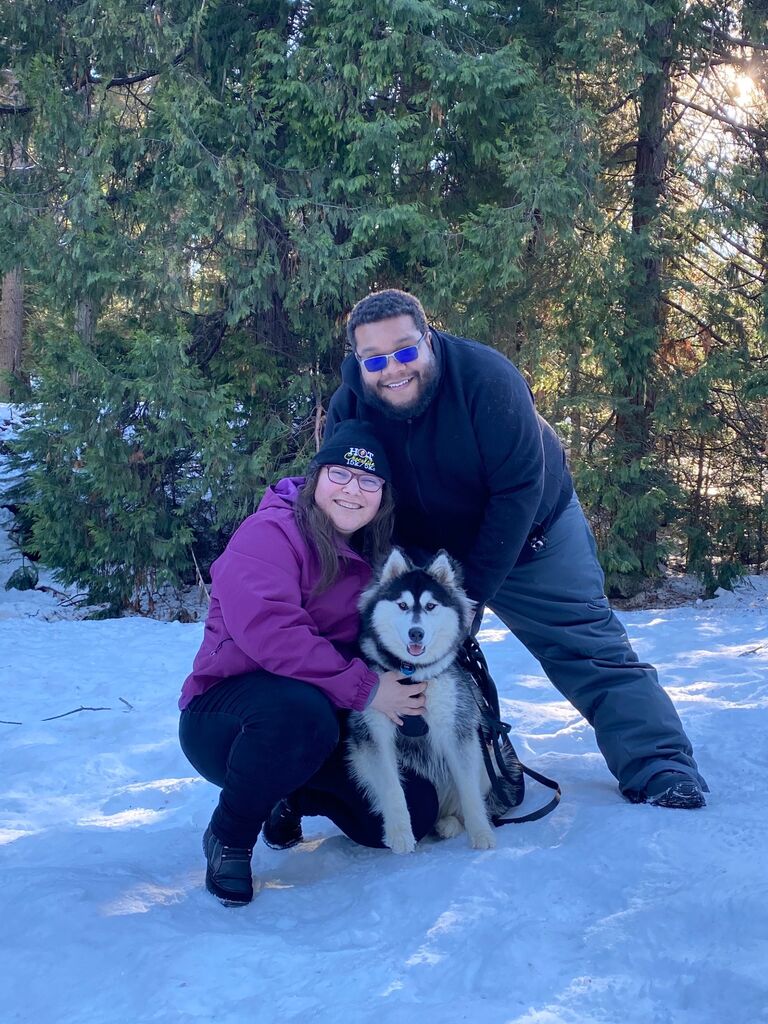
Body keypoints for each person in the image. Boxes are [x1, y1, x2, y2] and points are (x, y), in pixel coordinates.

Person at [324, 288, 708, 811]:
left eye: (407, 351)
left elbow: (519, 489)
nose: (393, 369)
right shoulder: (351, 401)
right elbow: (347, 487)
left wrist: (469, 599)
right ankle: (372, 785)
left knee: (586, 643)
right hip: (421, 552)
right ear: (358, 360)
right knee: (374, 646)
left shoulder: (487, 379)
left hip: (530, 534)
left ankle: (660, 763)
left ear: (429, 338)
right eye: (375, 359)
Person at [178, 420, 437, 906]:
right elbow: (272, 633)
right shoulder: (269, 534)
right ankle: (230, 836)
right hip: (226, 719)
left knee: (409, 815)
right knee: (298, 713)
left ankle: (286, 794)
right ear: (316, 478)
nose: (352, 490)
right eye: (340, 474)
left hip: (321, 717)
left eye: (368, 481)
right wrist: (367, 690)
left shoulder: (375, 553)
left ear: (383, 495)